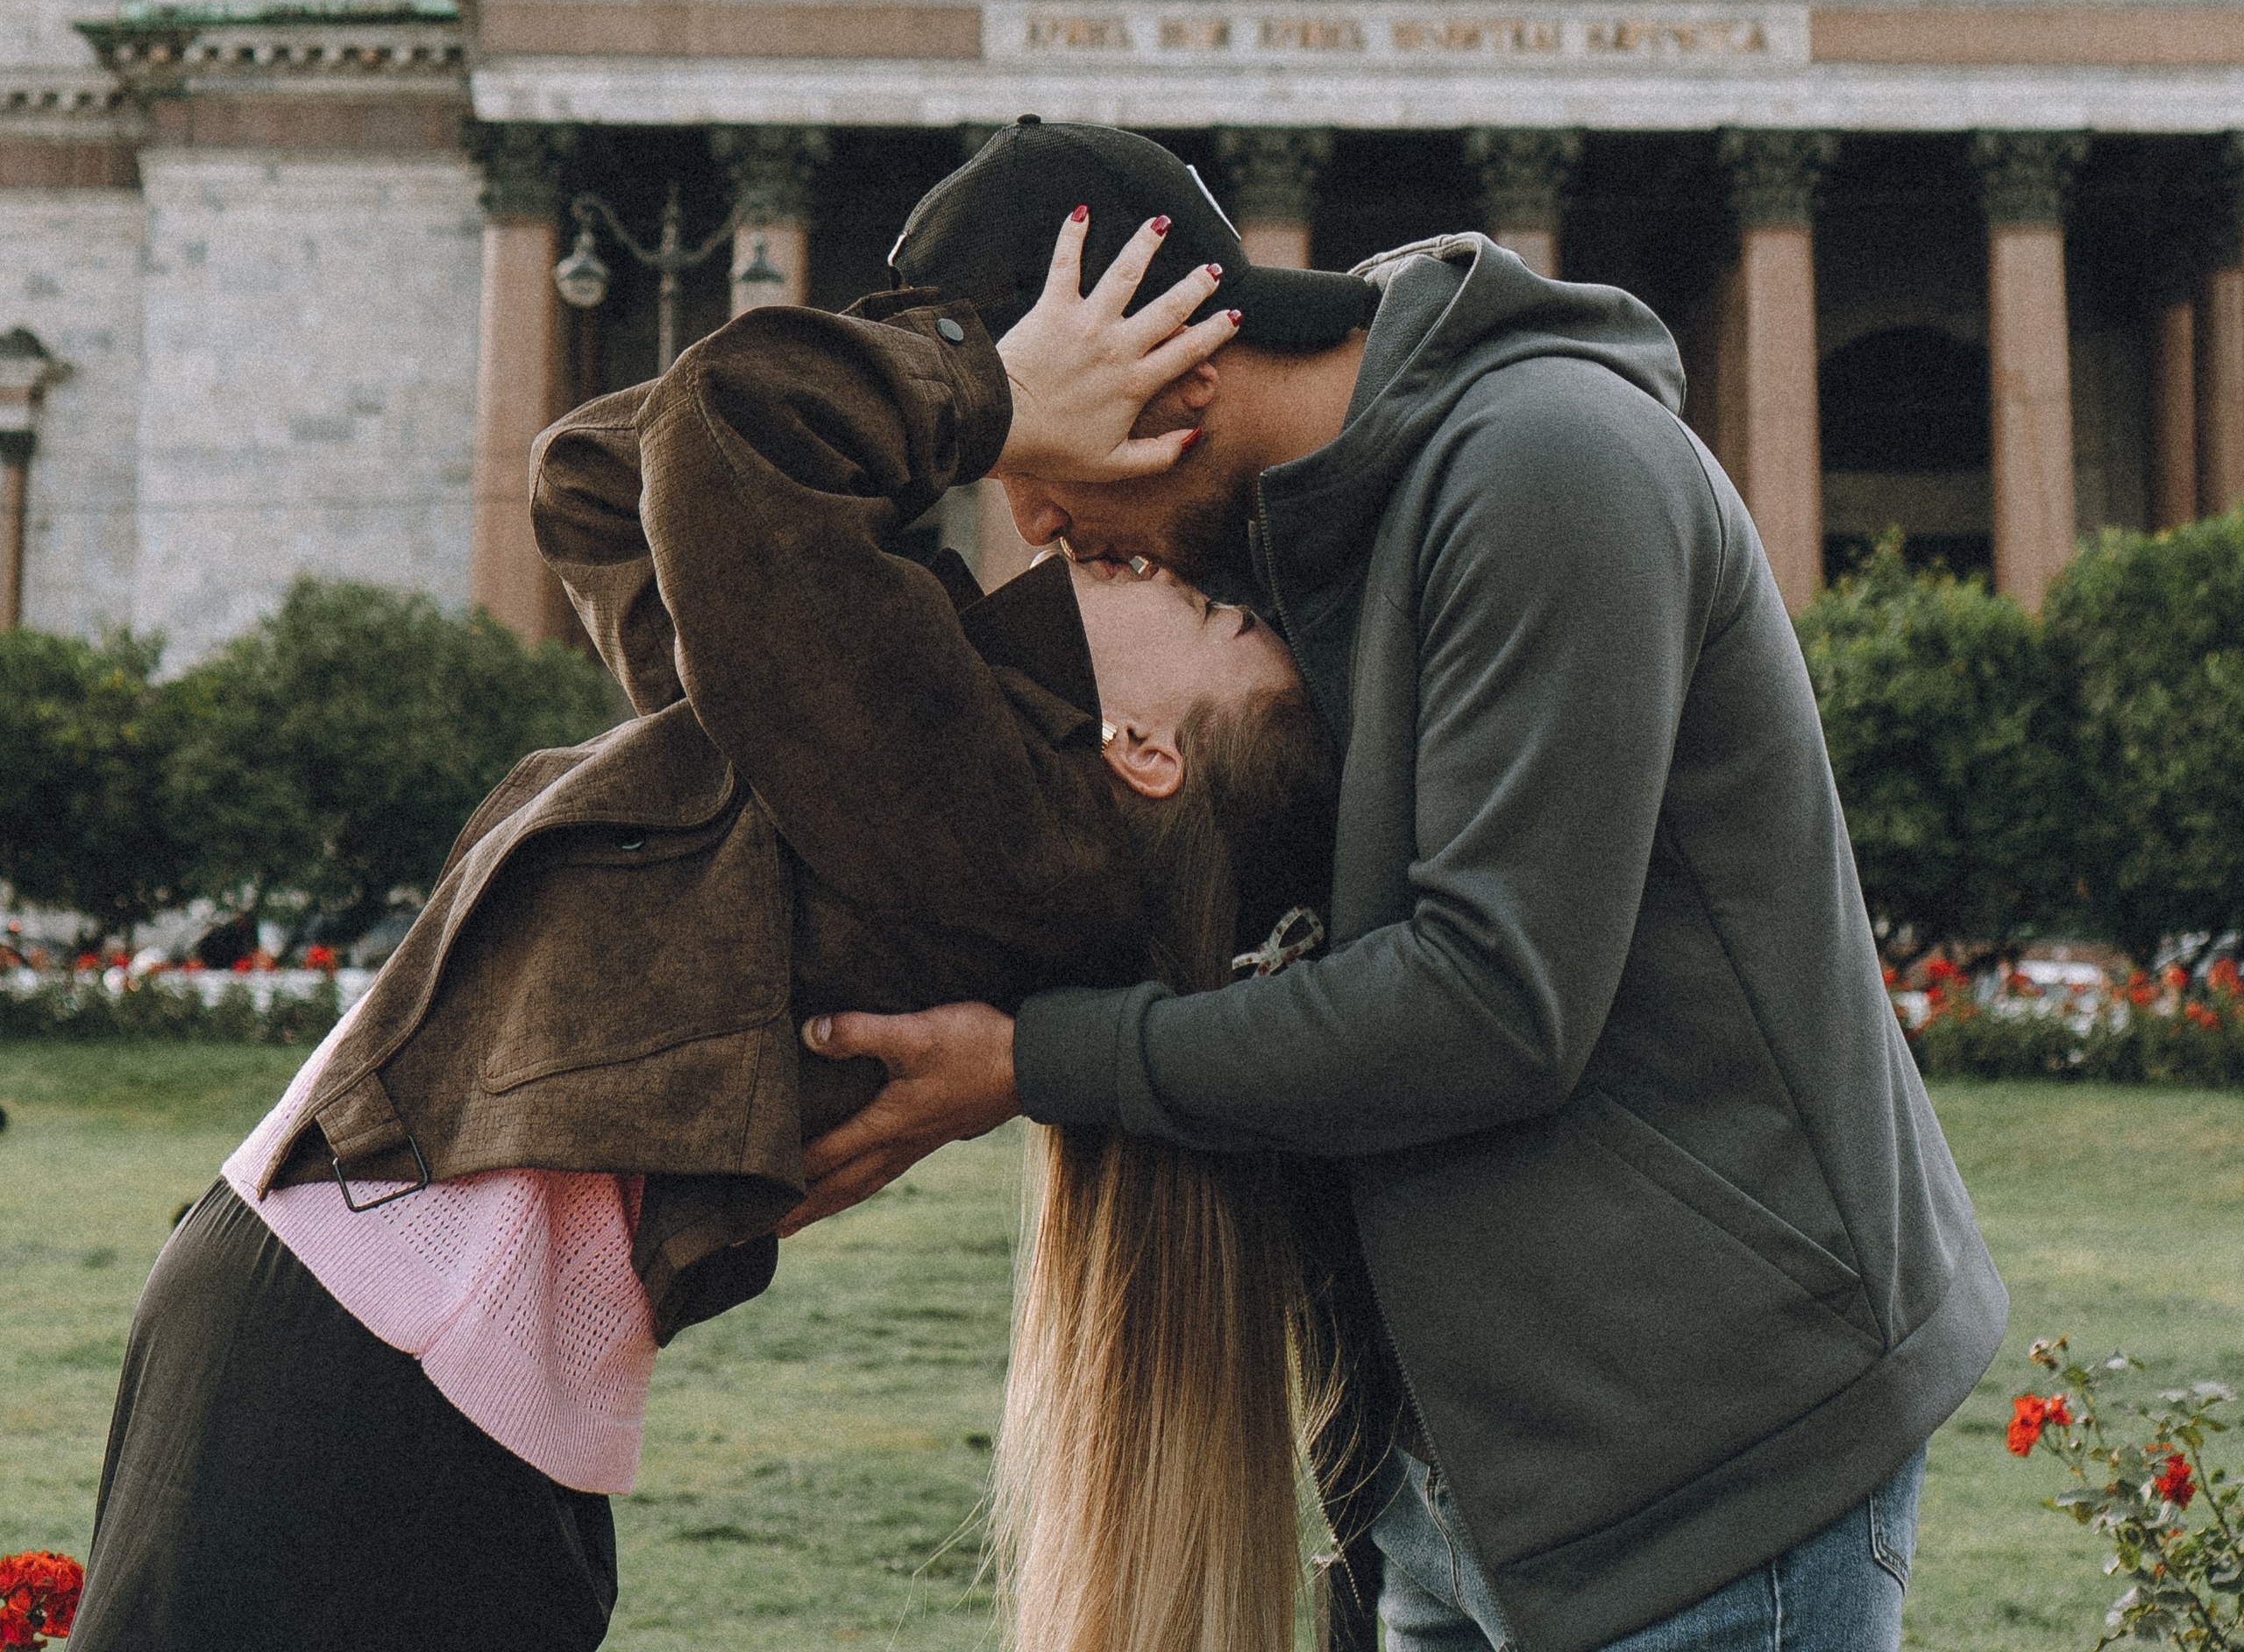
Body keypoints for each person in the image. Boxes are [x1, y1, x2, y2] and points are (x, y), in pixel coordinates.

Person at [793, 120, 2010, 1652]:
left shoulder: (1548, 466)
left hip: (1705, 1470)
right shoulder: (1288, 546)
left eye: (1033, 456)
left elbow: (1496, 1003)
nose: (1028, 527)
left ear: (1177, 361)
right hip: (1451, 1491)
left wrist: (1038, 1061)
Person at [71, 227, 1341, 1652]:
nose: (1172, 566)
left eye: (1220, 614)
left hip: (375, 1341)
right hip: (380, 1329)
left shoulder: (992, 828)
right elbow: (607, 481)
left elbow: (732, 437)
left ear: (1150, 755)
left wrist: (990, 395)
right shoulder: (873, 762)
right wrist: (983, 393)